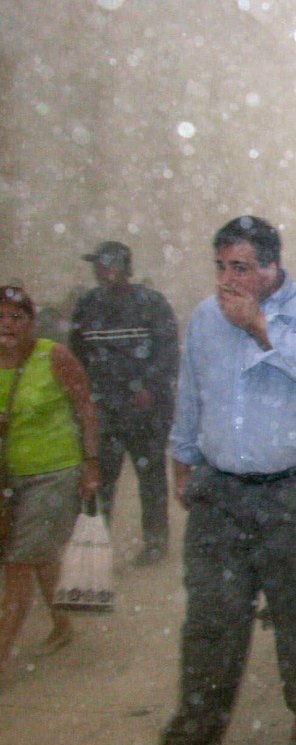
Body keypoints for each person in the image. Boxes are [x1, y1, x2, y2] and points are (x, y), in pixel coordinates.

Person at [162, 217, 296, 745]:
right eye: (220, 267)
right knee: (211, 618)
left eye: (240, 268)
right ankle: (197, 729)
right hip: (222, 495)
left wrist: (259, 325)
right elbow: (191, 391)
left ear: (271, 267)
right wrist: (183, 456)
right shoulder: (203, 319)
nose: (227, 280)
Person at [0, 286, 100, 676]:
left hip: (55, 474)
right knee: (39, 557)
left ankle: (2, 654)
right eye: (0, 317)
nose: (6, 326)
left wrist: (91, 464)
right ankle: (62, 624)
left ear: (31, 322)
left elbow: (85, 407)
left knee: (18, 564)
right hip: (9, 477)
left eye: (16, 317)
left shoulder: (54, 357)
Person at [69, 241, 178, 566]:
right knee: (100, 482)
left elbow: (168, 353)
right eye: (98, 264)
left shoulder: (151, 304)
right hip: (104, 413)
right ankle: (94, 550)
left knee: (151, 480)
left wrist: (149, 387)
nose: (102, 271)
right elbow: (76, 355)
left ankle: (155, 543)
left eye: (108, 264)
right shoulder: (87, 306)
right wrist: (84, 395)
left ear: (125, 268)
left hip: (146, 415)